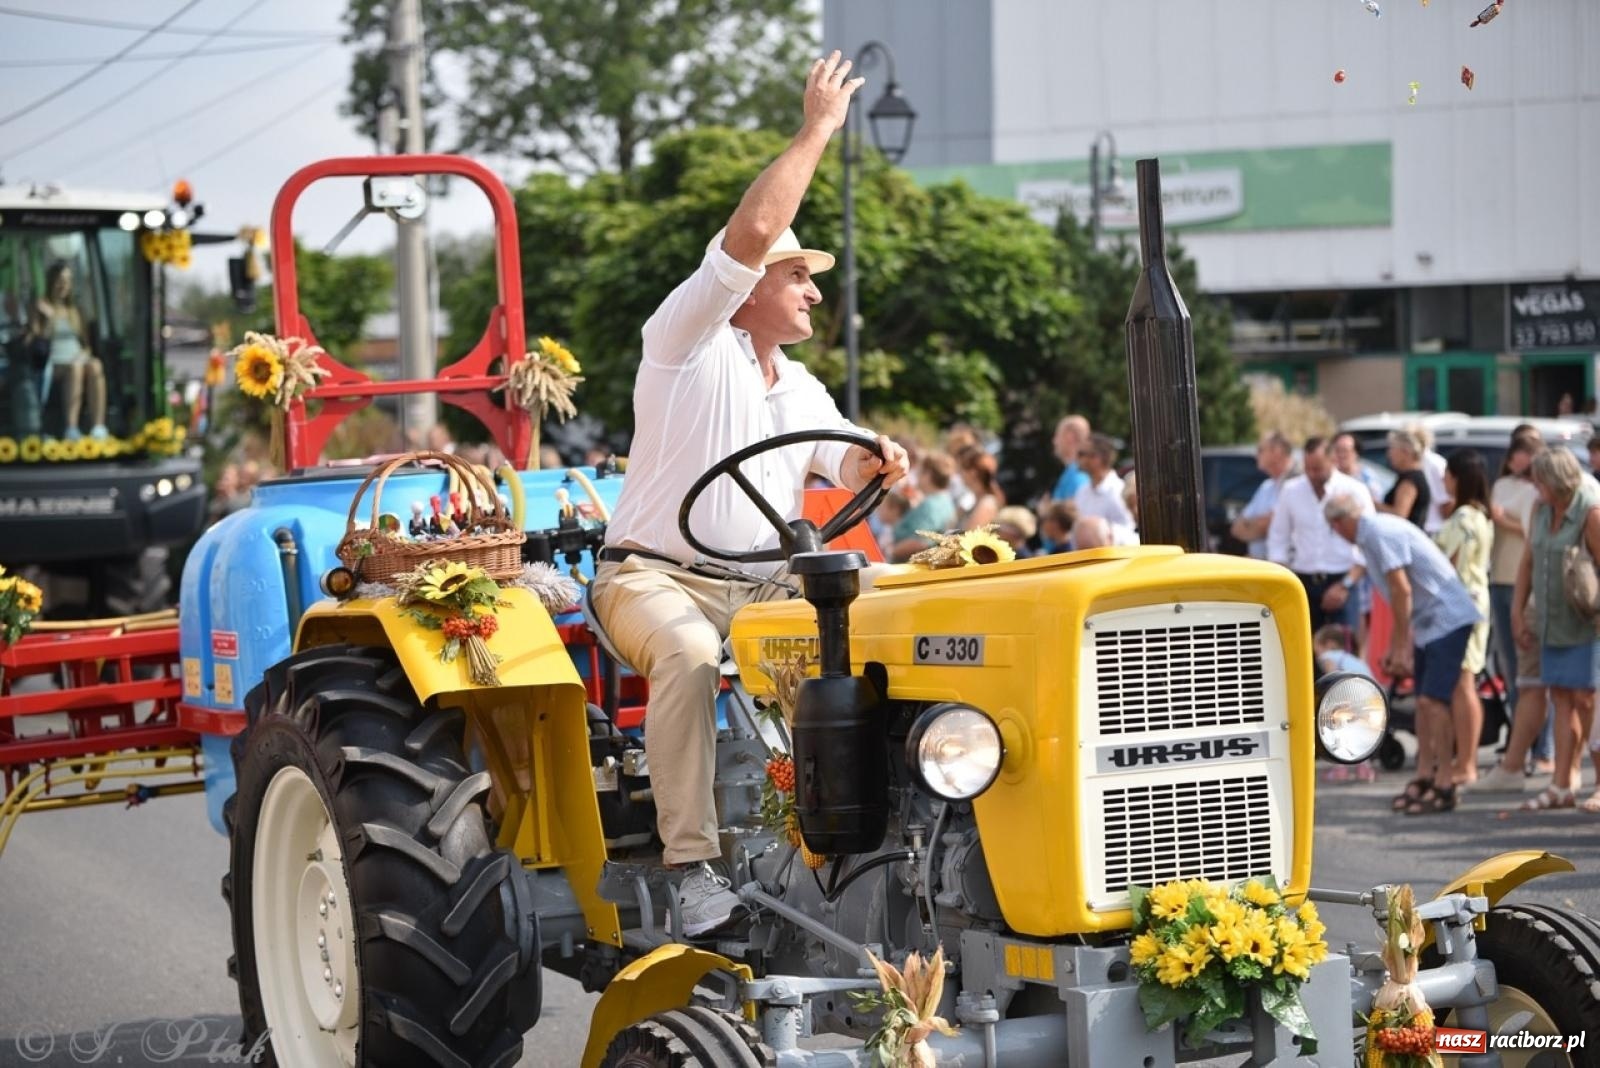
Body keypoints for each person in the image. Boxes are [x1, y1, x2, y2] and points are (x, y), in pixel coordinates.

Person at [589, 51, 909, 938]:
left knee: (900, 605)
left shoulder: (799, 386)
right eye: (796, 274)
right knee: (690, 654)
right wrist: (818, 131)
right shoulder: (687, 339)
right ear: (748, 290)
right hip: (653, 577)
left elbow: (842, 468)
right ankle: (691, 869)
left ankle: (899, 825)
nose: (812, 290)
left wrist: (880, 462)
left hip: (762, 584)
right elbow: (753, 226)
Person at [1325, 495, 1482, 814]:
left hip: (1446, 618)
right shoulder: (1370, 536)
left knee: (1433, 702)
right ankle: (1425, 776)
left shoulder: (1378, 533)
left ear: (1339, 524)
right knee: (1424, 703)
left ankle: (1446, 782)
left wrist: (1399, 647)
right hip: (1429, 623)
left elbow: (1402, 590)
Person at [1511, 447, 1600, 812]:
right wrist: (1518, 612)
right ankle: (1561, 784)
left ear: (1558, 481)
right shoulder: (1540, 510)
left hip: (1586, 623)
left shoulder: (1589, 514)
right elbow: (1528, 563)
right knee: (1561, 700)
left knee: (1587, 701)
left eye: (1540, 481)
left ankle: (1595, 783)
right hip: (1551, 623)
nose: (1535, 487)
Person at [1478, 431, 1552, 791]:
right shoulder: (1503, 483)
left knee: (1535, 674)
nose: (1519, 459)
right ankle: (1518, 748)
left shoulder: (1540, 491)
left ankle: (1543, 749)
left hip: (1526, 582)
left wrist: (1502, 519)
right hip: (1500, 578)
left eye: (1527, 453)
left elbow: (1529, 533)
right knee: (1511, 671)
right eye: (1517, 452)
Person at [1267, 437, 1372, 631]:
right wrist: (1282, 580)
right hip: (1303, 581)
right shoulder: (1292, 490)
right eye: (1308, 468)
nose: (1312, 475)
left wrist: (1345, 584)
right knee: (1305, 652)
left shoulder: (1354, 490)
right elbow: (1278, 538)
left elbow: (1368, 544)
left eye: (1317, 469)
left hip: (1343, 580)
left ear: (1332, 461)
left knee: (1343, 654)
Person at [1433, 449, 1492, 786]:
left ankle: (1467, 763)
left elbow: (1445, 564)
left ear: (1455, 477)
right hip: (1476, 600)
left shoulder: (1460, 519)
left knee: (1463, 684)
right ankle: (1466, 761)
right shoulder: (1481, 515)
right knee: (1466, 682)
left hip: (1460, 606)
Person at [29, 261, 107, 440]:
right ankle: (71, 428)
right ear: (52, 282)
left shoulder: (76, 311)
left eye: (67, 281)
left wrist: (83, 356)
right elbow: (36, 342)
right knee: (75, 369)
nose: (63, 285)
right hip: (52, 363)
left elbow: (86, 345)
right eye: (60, 280)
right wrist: (48, 319)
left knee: (95, 365)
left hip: (76, 358)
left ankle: (98, 427)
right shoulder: (40, 306)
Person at [1231, 431, 1295, 559]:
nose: (1256, 455)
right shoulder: (1266, 486)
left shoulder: (1295, 482)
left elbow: (1271, 525)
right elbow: (1236, 528)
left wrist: (1252, 524)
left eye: (1260, 450)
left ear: (1276, 452)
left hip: (1284, 568)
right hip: (1262, 564)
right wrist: (1260, 524)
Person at [1072, 433, 1134, 535]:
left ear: (1097, 458)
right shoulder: (1082, 492)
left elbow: (1129, 530)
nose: (1077, 459)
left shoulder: (1118, 491)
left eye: (1081, 454)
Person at [1378, 428, 1431, 529]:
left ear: (1405, 452)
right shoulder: (1412, 476)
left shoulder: (1410, 480)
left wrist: (1373, 503)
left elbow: (1399, 515)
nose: (1389, 454)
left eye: (1392, 449)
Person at [955, 444, 1003, 530]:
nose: (958, 473)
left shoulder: (986, 504)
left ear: (973, 472)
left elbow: (968, 539)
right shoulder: (977, 500)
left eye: (961, 469)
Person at [1050, 415, 1090, 501]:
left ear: (1069, 437)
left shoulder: (1079, 476)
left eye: (1057, 435)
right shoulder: (1073, 472)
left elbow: (1073, 512)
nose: (1054, 441)